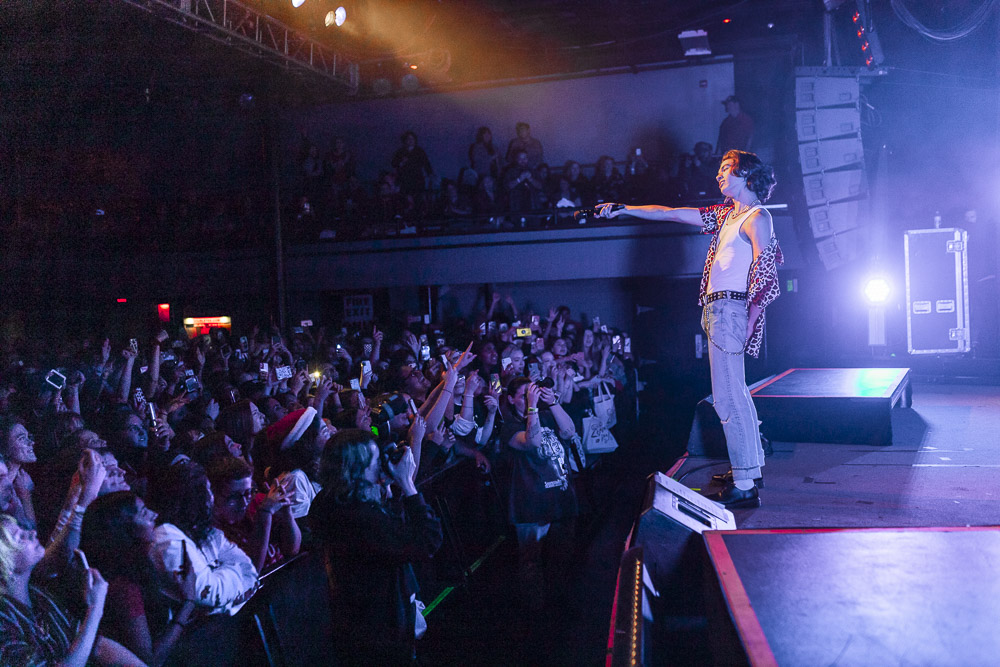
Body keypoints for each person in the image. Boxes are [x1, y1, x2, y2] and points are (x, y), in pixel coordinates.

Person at [599, 150, 782, 509]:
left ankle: (745, 483)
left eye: (725, 170)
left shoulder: (756, 217)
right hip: (719, 309)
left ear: (745, 174)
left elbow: (767, 269)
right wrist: (624, 208)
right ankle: (749, 470)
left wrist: (751, 317)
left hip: (730, 309)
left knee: (727, 397)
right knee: (735, 394)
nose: (718, 176)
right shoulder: (726, 215)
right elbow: (670, 213)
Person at [310, 428, 443, 665]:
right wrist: (408, 485)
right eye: (373, 462)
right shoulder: (361, 518)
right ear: (356, 469)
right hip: (381, 626)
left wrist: (387, 491)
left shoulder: (327, 503)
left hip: (356, 623)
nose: (379, 467)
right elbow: (428, 539)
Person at [0, 513, 146, 666]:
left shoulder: (39, 595)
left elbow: (96, 646)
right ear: (4, 564)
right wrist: (95, 609)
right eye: (20, 537)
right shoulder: (4, 621)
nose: (32, 533)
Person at [498, 377, 578, 613]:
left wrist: (552, 403)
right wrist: (532, 406)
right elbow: (532, 442)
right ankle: (536, 615)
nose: (528, 398)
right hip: (531, 505)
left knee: (562, 558)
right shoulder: (510, 426)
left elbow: (569, 431)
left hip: (561, 499)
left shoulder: (546, 416)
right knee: (531, 561)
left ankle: (561, 606)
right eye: (522, 395)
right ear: (511, 400)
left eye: (530, 393)